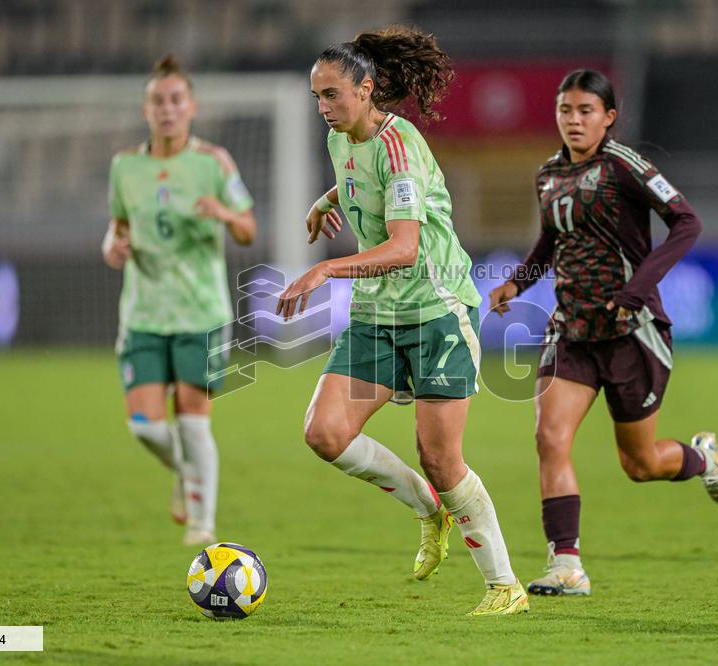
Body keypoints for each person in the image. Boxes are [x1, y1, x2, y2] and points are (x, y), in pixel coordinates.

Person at [276, 25, 528, 616]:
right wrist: (325, 202)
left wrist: (324, 271)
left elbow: (404, 247)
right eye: (316, 97)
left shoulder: (400, 144)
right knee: (325, 433)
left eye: (332, 95)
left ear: (366, 91)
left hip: (435, 311)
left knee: (441, 458)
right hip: (378, 314)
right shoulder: (343, 140)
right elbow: (354, 176)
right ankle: (427, 508)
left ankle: (504, 585)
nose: (323, 108)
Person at [488, 69, 718, 597]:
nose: (574, 121)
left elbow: (686, 222)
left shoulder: (625, 167)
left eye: (585, 112)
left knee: (640, 464)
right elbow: (552, 242)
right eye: (565, 111)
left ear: (608, 118)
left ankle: (700, 458)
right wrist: (518, 282)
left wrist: (637, 290)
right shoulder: (548, 174)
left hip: (629, 332)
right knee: (549, 438)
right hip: (572, 330)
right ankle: (566, 565)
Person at [101, 54, 257, 546]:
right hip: (144, 312)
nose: (166, 109)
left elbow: (250, 229)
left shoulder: (214, 162)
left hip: (200, 312)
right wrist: (113, 247)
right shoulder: (125, 166)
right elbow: (117, 229)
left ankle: (202, 524)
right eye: (157, 102)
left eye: (175, 100)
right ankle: (187, 474)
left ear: (191, 107)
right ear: (146, 110)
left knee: (192, 422)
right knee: (145, 427)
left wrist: (224, 215)